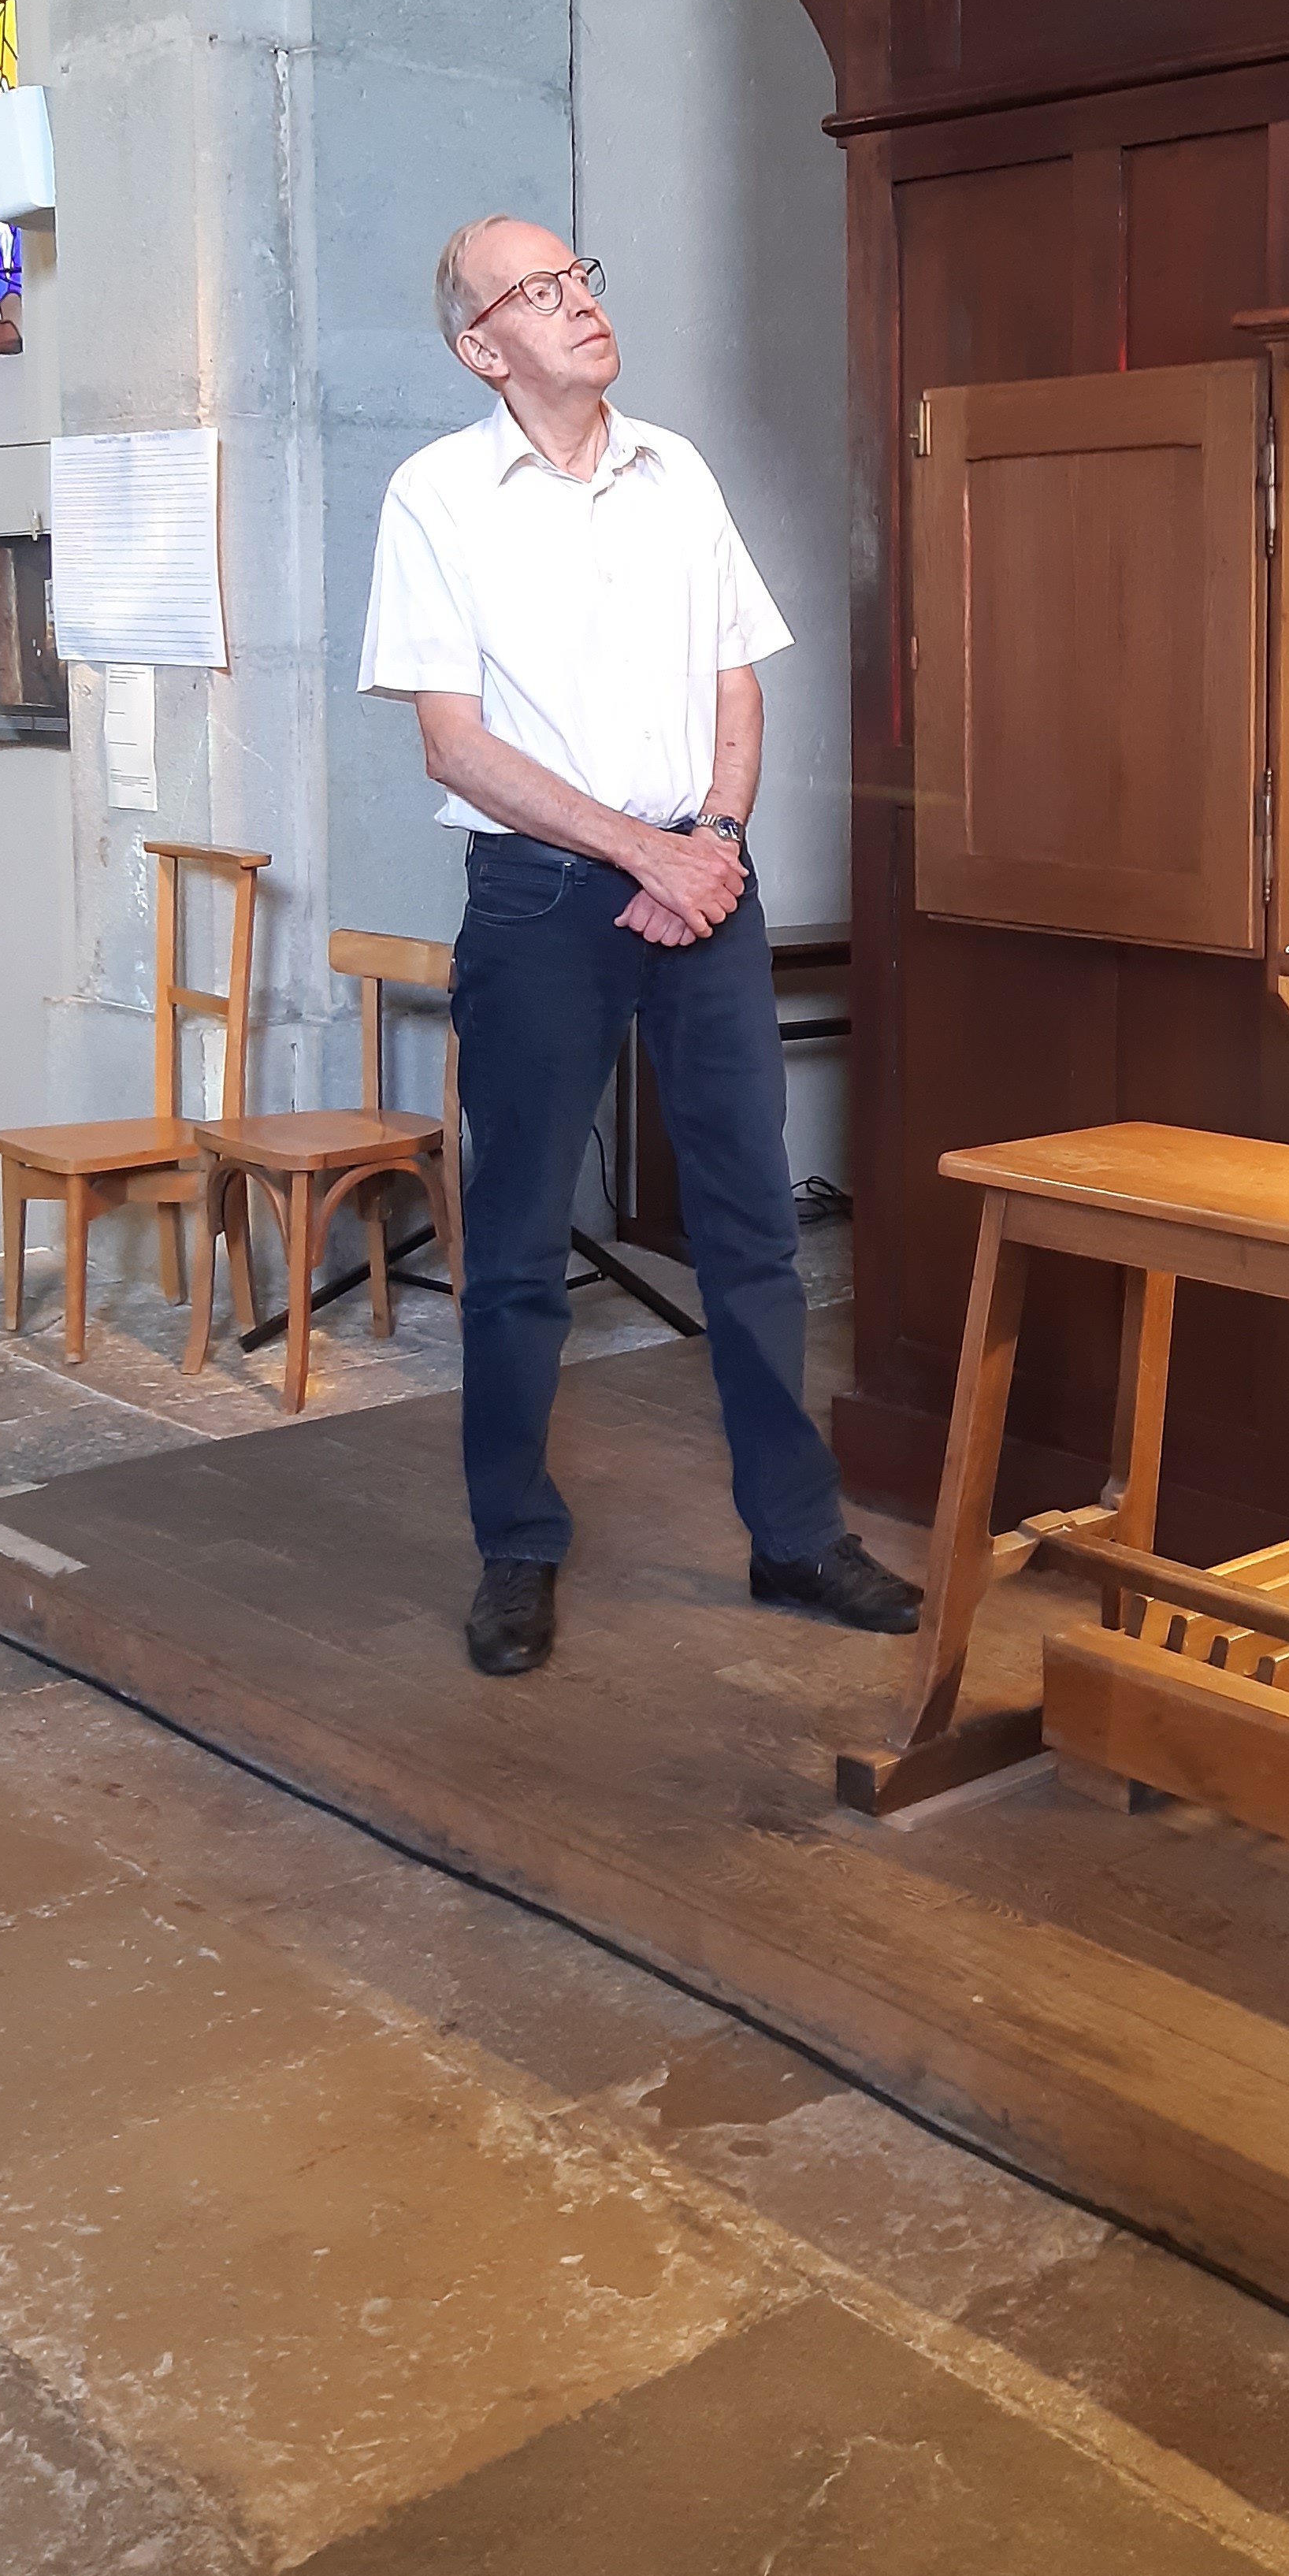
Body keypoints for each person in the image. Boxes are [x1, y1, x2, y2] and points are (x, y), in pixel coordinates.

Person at [358, 215, 919, 1674]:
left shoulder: (678, 472)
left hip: (705, 886)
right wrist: (641, 850)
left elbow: (736, 677)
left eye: (582, 275)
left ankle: (796, 1538)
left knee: (754, 1232)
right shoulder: (436, 497)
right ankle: (518, 1549)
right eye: (534, 292)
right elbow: (455, 744)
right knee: (525, 1243)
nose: (577, 305)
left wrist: (714, 843)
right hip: (545, 900)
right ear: (482, 345)